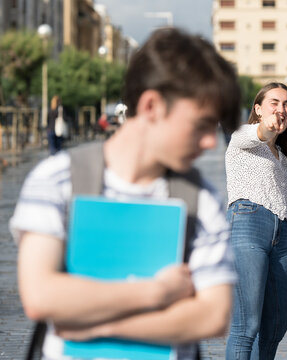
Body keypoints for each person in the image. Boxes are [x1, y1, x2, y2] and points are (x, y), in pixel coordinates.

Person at [11, 27, 241, 360]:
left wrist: (98, 325)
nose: (210, 142)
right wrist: (157, 292)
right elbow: (41, 296)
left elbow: (212, 316)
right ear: (152, 106)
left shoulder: (200, 198)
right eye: (202, 125)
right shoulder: (58, 179)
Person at [224, 82, 287, 359]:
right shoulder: (243, 136)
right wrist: (267, 127)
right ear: (258, 108)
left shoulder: (283, 155)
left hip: (281, 235)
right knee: (246, 326)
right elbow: (262, 131)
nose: (281, 109)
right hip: (248, 224)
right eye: (274, 103)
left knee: (276, 326)